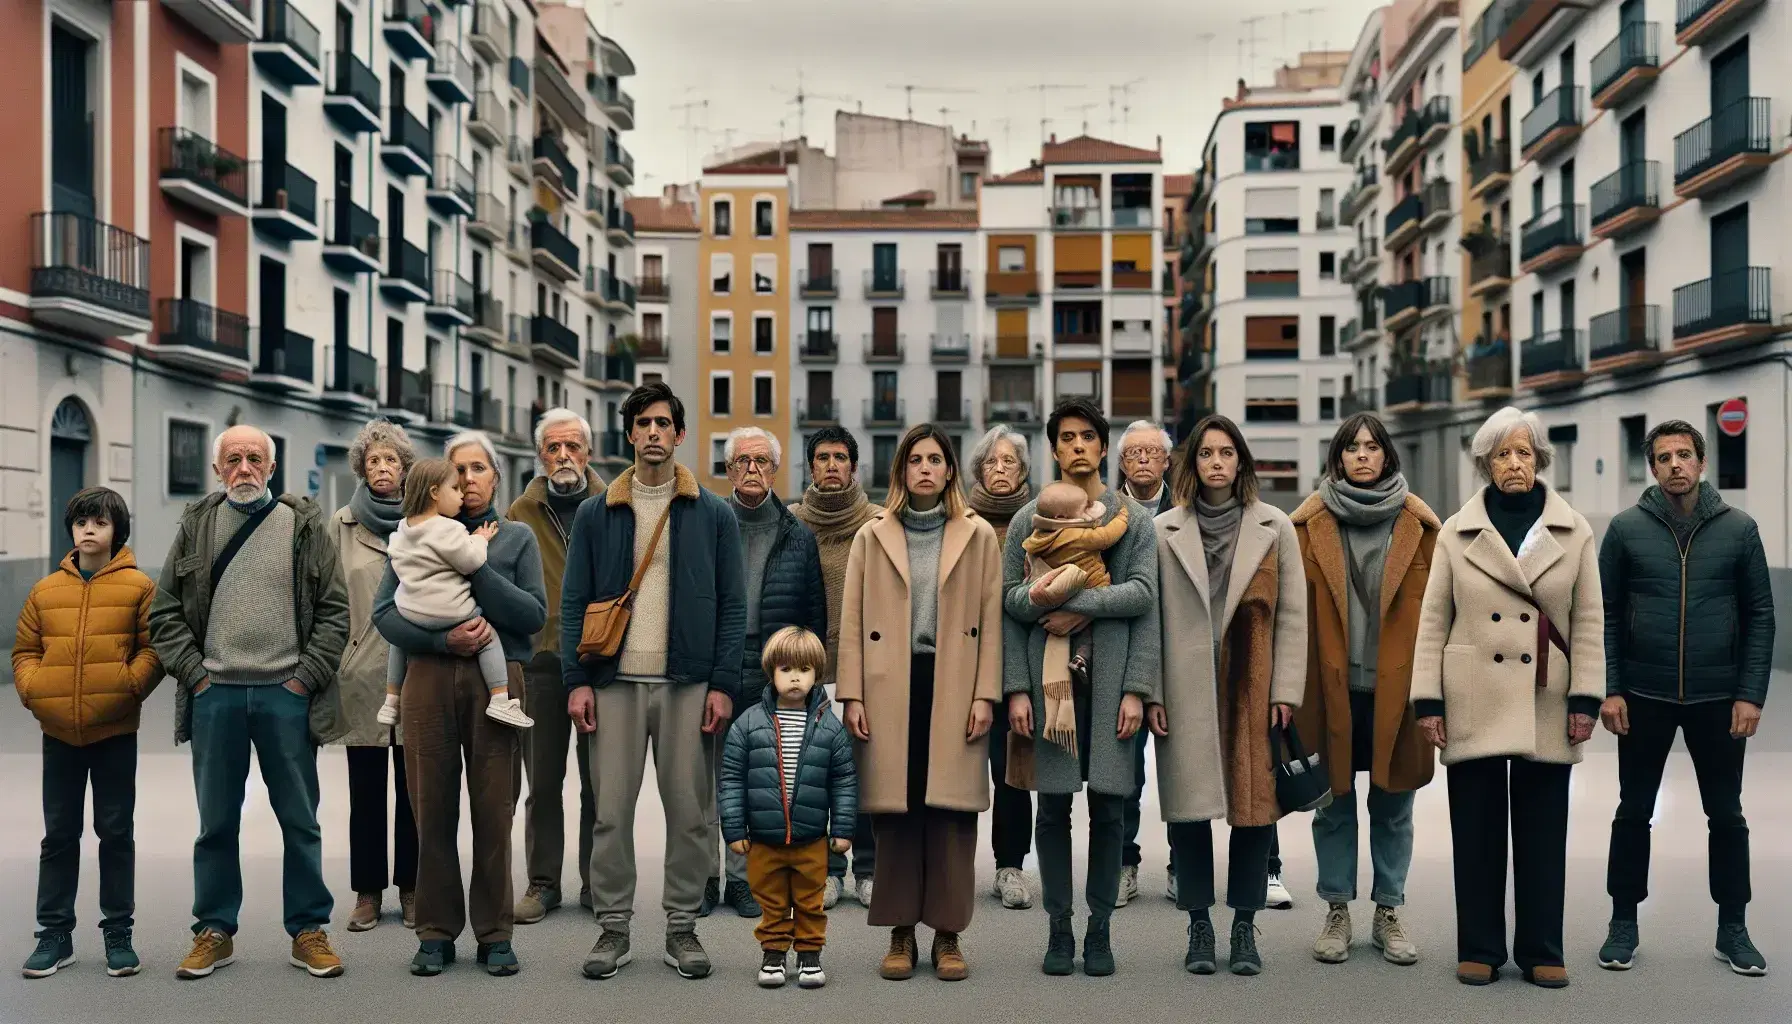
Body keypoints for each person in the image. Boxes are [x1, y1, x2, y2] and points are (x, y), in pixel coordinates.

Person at [1411, 406, 1604, 989]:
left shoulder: (1574, 530)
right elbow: (1432, 620)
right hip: (1472, 693)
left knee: (1545, 833)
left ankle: (1543, 948)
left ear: (1540, 460)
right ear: (1486, 464)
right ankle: (1481, 948)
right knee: (1475, 831)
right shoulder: (1455, 530)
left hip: (1547, 695)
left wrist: (1586, 697)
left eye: (1524, 453)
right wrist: (1428, 701)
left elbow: (1590, 619)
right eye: (1502, 454)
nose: (1514, 464)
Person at [149, 425, 350, 979]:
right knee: (215, 823)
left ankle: (309, 930)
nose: (244, 467)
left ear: (270, 467)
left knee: (299, 820)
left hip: (286, 693)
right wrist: (195, 676)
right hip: (215, 695)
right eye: (233, 459)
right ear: (218, 470)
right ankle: (214, 930)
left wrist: (304, 679)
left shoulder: (304, 525)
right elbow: (164, 612)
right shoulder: (196, 527)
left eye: (254, 458)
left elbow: (335, 612)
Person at [561, 382, 746, 981]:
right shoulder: (598, 511)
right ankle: (613, 927)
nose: (653, 433)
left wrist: (722, 682)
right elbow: (572, 604)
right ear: (630, 434)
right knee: (609, 810)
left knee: (690, 812)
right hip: (613, 683)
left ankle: (681, 927)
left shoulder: (713, 512)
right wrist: (576, 681)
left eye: (664, 422)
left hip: (688, 683)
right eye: (643, 423)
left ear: (680, 434)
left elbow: (732, 607)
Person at [1595, 419, 1772, 976]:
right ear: (1652, 468)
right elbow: (1604, 614)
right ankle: (1623, 924)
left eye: (1685, 455)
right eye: (1665, 457)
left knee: (1727, 815)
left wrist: (1749, 695)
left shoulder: (1740, 529)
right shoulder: (1625, 530)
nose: (1675, 464)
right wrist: (1611, 688)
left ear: (1701, 463)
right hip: (1643, 695)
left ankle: (1734, 929)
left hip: (1718, 697)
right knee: (1633, 812)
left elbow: (1761, 615)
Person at [373, 431, 546, 978]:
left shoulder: (514, 538)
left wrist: (478, 567)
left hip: (496, 680)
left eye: (478, 469)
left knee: (494, 809)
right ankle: (435, 931)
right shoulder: (411, 533)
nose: (468, 480)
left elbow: (531, 616)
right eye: (458, 471)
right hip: (426, 676)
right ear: (438, 482)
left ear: (495, 477)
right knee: (431, 808)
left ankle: (495, 933)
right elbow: (384, 613)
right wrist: (443, 640)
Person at [839, 425, 1003, 983]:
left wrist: (987, 694)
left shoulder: (979, 536)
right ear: (901, 471)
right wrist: (852, 693)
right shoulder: (872, 535)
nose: (926, 468)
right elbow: (853, 622)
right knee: (897, 811)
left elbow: (993, 622)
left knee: (951, 812)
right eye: (916, 460)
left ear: (951, 470)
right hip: (891, 684)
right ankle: (901, 930)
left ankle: (949, 934)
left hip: (954, 681)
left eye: (936, 459)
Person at [1003, 398, 1159, 978]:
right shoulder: (1029, 519)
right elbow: (1009, 602)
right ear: (1054, 448)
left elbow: (1144, 597)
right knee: (1053, 808)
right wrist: (1015, 689)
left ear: (1101, 445)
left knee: (1112, 809)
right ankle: (1059, 927)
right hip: (1049, 688)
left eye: (1087, 436)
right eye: (1065, 437)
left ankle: (1100, 929)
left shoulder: (1130, 518)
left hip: (1113, 681)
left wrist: (1137, 689)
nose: (1076, 446)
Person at [1150, 414, 1304, 977]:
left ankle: (1244, 925)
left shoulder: (1275, 526)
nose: (1217, 462)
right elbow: (1150, 621)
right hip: (1186, 685)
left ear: (1241, 462)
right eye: (1207, 453)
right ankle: (1198, 926)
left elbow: (1293, 616)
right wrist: (1153, 691)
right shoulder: (1164, 528)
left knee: (1253, 807)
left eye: (1227, 453)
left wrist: (1285, 687)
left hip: (1252, 683)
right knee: (1189, 812)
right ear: (1192, 464)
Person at [1292, 414, 1439, 967]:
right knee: (1331, 802)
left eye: (1372, 447)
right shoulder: (1306, 525)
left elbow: (1440, 616)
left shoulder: (1422, 526)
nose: (1361, 456)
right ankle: (1336, 909)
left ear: (1387, 456)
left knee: (1394, 801)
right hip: (1327, 686)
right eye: (1352, 447)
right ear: (1337, 457)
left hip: (1397, 690)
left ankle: (1389, 910)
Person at [16, 487, 160, 979]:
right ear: (71, 531)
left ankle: (118, 932)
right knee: (58, 835)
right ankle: (54, 935)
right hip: (58, 732)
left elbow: (153, 648)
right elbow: (24, 652)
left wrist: (127, 687)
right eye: (81, 522)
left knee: (115, 832)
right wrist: (35, 690)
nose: (89, 530)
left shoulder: (140, 587)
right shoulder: (44, 591)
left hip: (114, 730)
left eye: (99, 521)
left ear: (117, 529)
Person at [712, 426, 827, 919]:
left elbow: (814, 613)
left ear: (776, 470)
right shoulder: (709, 523)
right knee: (708, 778)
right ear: (729, 468)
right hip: (716, 664)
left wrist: (805, 675)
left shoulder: (796, 533)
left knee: (759, 778)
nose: (752, 469)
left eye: (761, 461)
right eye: (742, 460)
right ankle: (702, 879)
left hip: (772, 671)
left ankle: (742, 881)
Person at [719, 626, 858, 990]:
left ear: (817, 674)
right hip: (764, 839)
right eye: (785, 668)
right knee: (772, 900)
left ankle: (810, 955)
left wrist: (843, 830)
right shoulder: (748, 725)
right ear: (771, 672)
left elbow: (843, 780)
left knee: (811, 900)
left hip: (811, 838)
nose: (795, 677)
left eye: (804, 669)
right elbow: (731, 779)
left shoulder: (830, 728)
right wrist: (734, 830)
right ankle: (774, 953)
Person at [507, 408, 604, 924]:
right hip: (541, 663)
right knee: (542, 781)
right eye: (552, 448)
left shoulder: (617, 504)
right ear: (540, 456)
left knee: (599, 782)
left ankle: (595, 882)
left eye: (573, 446)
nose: (563, 456)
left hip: (600, 662)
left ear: (588, 453)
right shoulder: (519, 513)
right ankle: (543, 882)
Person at [330, 420, 419, 934]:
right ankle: (367, 892)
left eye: (391, 461)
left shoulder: (425, 520)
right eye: (373, 462)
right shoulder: (340, 525)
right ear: (361, 469)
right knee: (365, 793)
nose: (382, 469)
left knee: (414, 791)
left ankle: (411, 888)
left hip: (415, 672)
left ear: (404, 469)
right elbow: (326, 600)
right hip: (361, 674)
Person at [788, 425, 881, 908]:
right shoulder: (792, 523)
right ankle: (827, 870)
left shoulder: (879, 523)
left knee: (863, 775)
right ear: (810, 467)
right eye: (822, 457)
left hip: (864, 670)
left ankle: (866, 867)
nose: (830, 465)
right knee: (814, 776)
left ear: (853, 467)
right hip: (807, 672)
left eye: (839, 457)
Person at [379, 458, 533, 730]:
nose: (462, 493)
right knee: (486, 635)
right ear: (435, 493)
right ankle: (500, 699)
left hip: (410, 610)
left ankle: (391, 699)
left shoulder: (403, 528)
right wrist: (480, 539)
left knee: (398, 642)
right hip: (451, 612)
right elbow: (470, 560)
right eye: (455, 487)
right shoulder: (448, 528)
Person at [965, 424, 1036, 910]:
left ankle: (1010, 866)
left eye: (1008, 461)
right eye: (990, 462)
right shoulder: (961, 522)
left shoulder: (1042, 521)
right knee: (957, 770)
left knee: (1013, 772)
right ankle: (948, 865)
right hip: (965, 665)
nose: (999, 469)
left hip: (1023, 665)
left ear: (1024, 469)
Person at [1112, 420, 1176, 907]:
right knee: (1126, 770)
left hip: (1177, 653)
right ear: (1121, 461)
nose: (1143, 459)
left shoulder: (1189, 510)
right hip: (1127, 650)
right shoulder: (1106, 513)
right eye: (1134, 452)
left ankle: (1183, 866)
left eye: (1152, 451)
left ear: (1168, 460)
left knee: (1181, 767)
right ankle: (1124, 864)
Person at [1020, 481, 1131, 752]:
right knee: (1090, 632)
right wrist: (1124, 515)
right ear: (1063, 518)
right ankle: (1082, 657)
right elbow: (1106, 537)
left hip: (1059, 596)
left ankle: (1079, 657)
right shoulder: (1075, 536)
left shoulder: (1041, 536)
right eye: (1085, 508)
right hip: (1094, 584)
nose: (1090, 511)